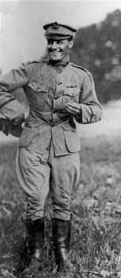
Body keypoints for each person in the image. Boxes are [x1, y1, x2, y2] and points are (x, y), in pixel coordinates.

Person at [0, 22, 102, 274]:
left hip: (65, 144)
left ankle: (62, 257)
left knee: (63, 201)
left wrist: (80, 110)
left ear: (70, 44)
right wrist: (16, 112)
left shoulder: (81, 75)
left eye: (60, 42)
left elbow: (96, 110)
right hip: (34, 141)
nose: (54, 46)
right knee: (34, 199)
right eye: (51, 42)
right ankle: (35, 257)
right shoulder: (31, 69)